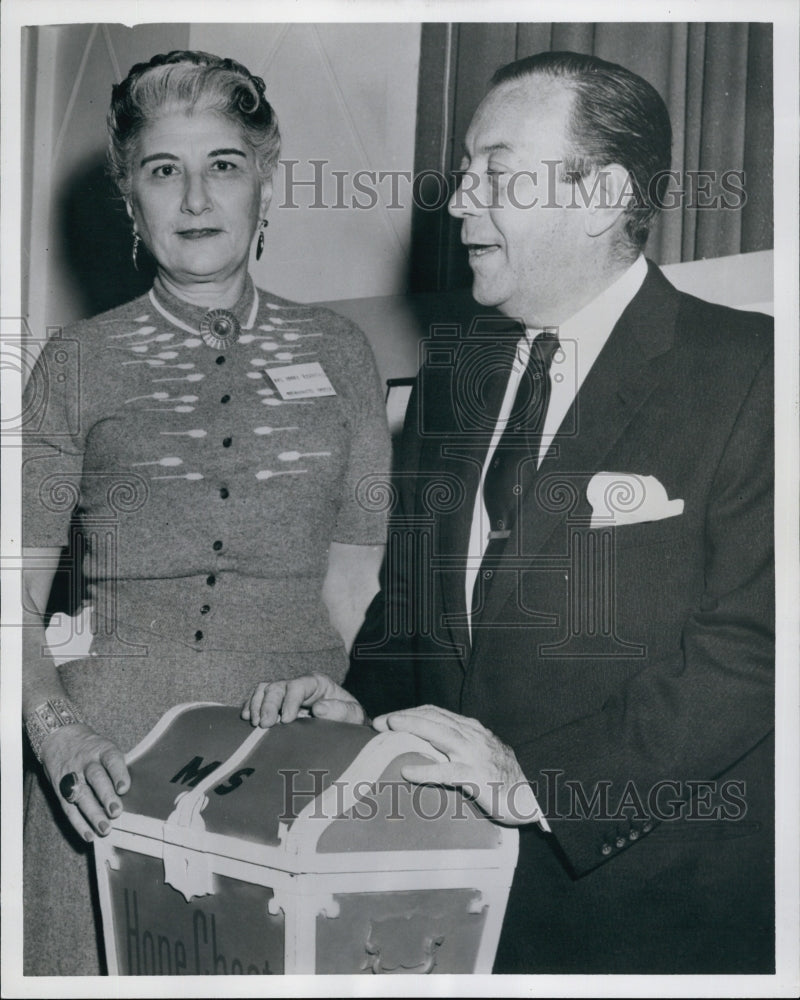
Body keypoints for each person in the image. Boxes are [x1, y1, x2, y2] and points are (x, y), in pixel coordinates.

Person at [243, 51, 774, 974]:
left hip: (651, 916)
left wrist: (537, 790)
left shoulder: (754, 371)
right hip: (446, 895)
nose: (457, 205)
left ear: (603, 194)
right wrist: (363, 710)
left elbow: (758, 646)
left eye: (495, 171)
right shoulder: (456, 372)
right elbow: (414, 602)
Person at [21, 50, 390, 975]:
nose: (194, 198)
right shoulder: (74, 363)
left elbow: (360, 576)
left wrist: (338, 698)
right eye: (162, 170)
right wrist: (62, 741)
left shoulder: (343, 355)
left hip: (297, 752)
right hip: (109, 767)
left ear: (268, 177)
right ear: (130, 197)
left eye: (223, 164)